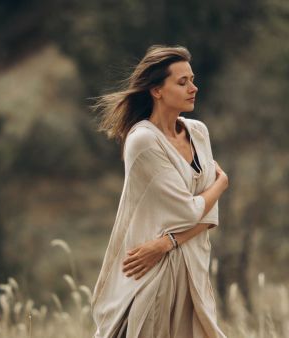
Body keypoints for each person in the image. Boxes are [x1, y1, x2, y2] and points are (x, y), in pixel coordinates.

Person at [91, 45, 229, 338]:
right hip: (155, 277)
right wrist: (221, 184)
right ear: (157, 90)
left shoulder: (199, 132)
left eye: (192, 79)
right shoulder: (142, 141)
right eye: (182, 82)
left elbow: (208, 215)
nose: (194, 87)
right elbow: (190, 210)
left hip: (194, 272)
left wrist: (167, 242)